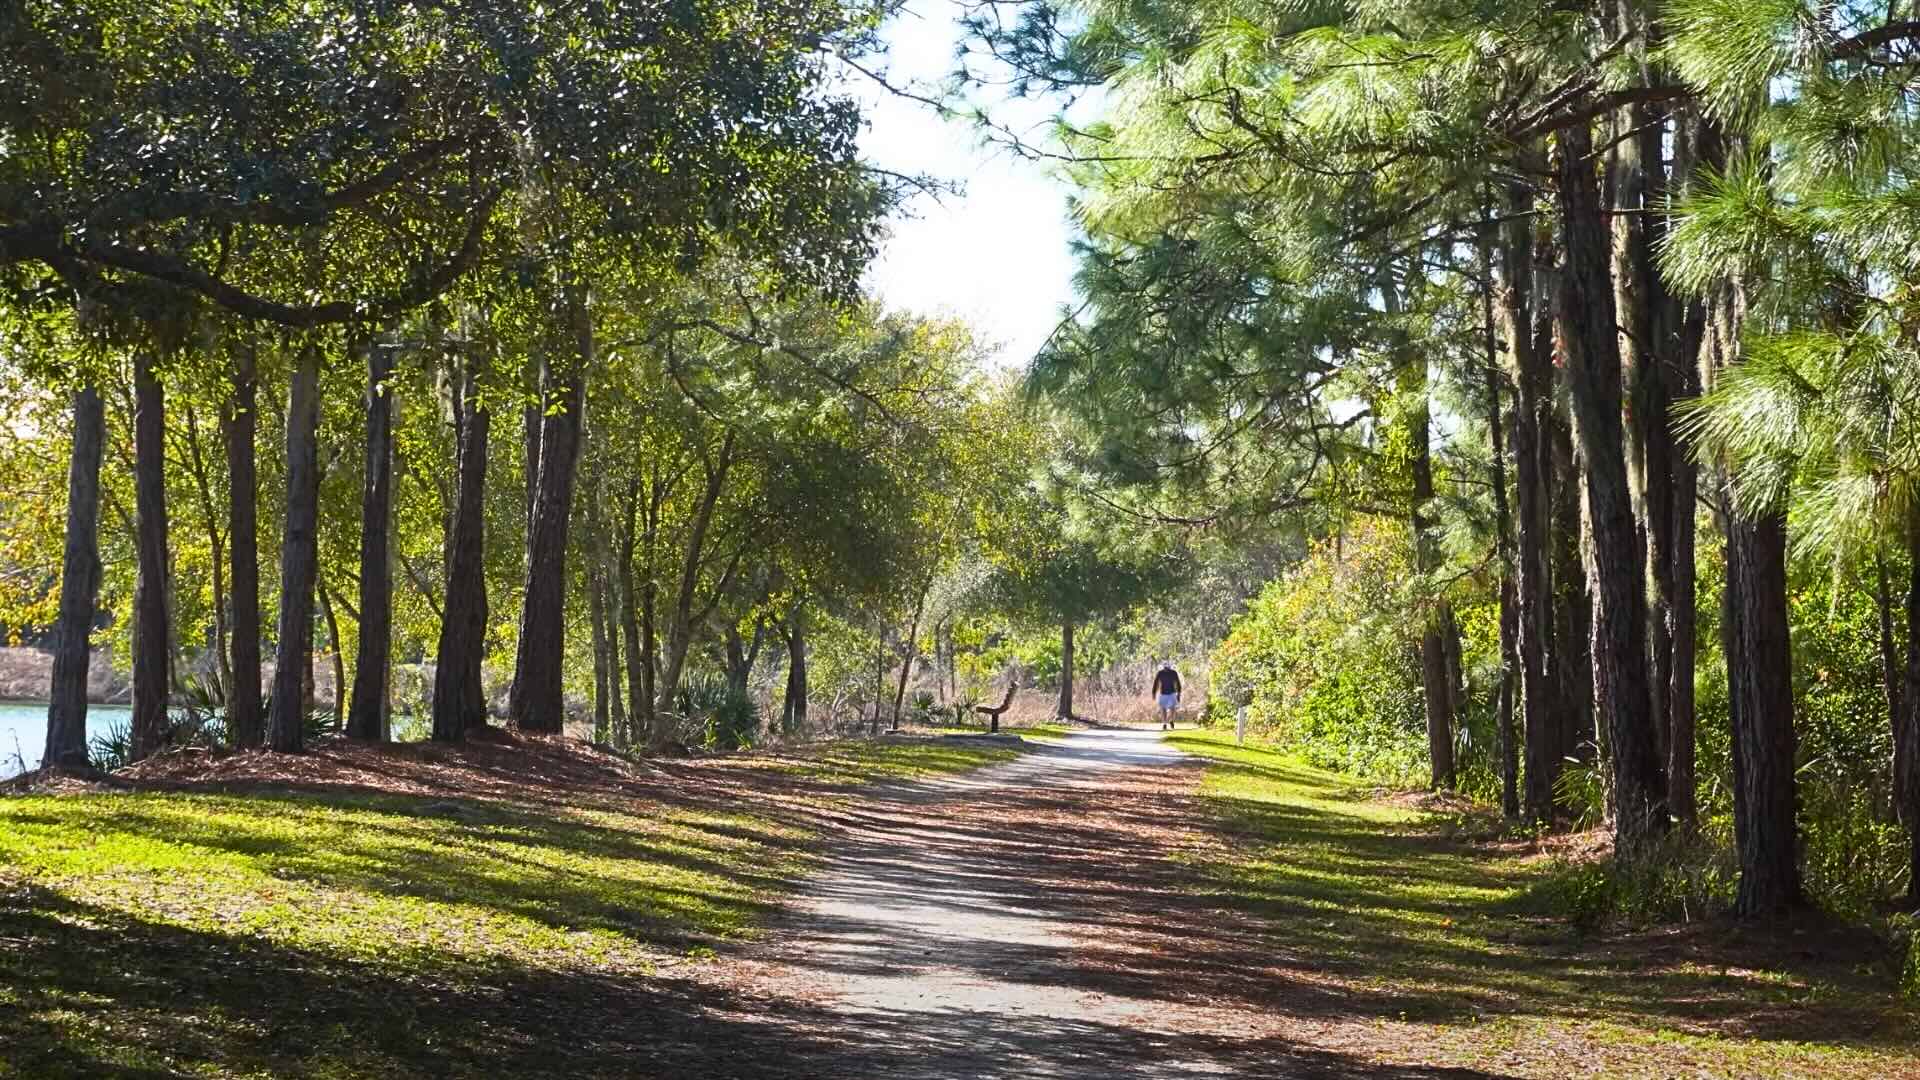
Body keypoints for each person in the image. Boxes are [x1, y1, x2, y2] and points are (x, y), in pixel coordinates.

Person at [1150, 661, 1182, 730]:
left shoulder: (1173, 673)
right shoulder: (1160, 673)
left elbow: (1178, 683)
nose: (1166, 668)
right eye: (1165, 667)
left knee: (1172, 708)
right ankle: (1164, 723)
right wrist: (1154, 693)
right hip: (1163, 693)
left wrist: (1178, 693)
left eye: (1167, 667)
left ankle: (1171, 720)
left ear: (1169, 667)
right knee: (1163, 708)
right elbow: (1156, 683)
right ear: (1163, 667)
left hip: (1172, 693)